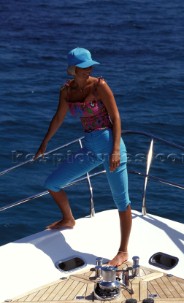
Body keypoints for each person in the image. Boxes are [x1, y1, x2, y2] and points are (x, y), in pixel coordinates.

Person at [35, 47, 132, 266]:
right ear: (73, 70)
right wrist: (45, 142)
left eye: (90, 66)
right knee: (53, 183)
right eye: (83, 67)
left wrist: (115, 150)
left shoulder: (100, 86)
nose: (88, 70)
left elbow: (116, 118)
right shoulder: (66, 91)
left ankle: (123, 251)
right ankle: (68, 219)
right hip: (89, 146)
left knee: (121, 200)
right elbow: (58, 117)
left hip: (109, 146)